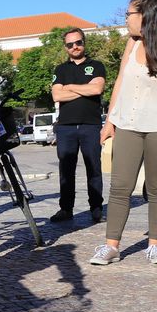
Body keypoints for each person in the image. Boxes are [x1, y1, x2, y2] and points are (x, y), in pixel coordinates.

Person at [91, 0, 157, 265]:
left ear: (148, 16)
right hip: (128, 123)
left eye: (129, 14)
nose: (126, 19)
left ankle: (155, 245)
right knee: (120, 186)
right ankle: (111, 246)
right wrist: (110, 121)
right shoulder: (132, 43)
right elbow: (120, 83)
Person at [51, 28, 107, 224]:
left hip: (90, 125)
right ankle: (66, 209)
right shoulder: (61, 70)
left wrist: (71, 87)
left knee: (94, 168)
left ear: (84, 43)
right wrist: (85, 89)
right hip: (65, 127)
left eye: (78, 42)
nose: (75, 47)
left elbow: (97, 88)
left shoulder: (97, 66)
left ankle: (96, 208)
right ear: (65, 47)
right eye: (70, 44)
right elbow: (57, 95)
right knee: (66, 170)